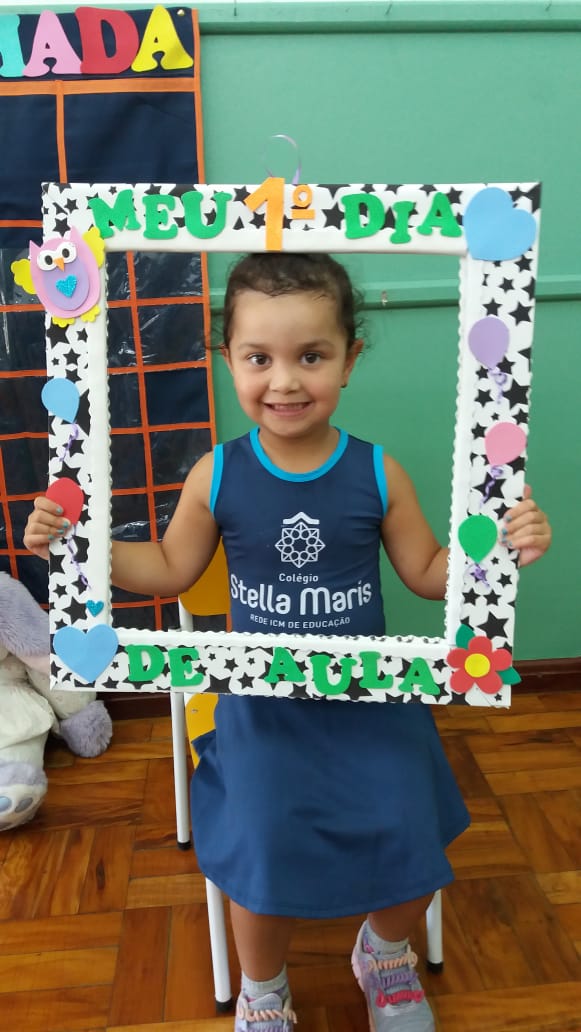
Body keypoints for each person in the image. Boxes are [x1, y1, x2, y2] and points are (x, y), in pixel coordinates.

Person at [24, 253, 552, 1032]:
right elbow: (167, 569)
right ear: (226, 358)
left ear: (349, 358)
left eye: (311, 356)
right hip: (262, 713)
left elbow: (428, 574)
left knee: (415, 832)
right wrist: (80, 547)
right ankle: (263, 989)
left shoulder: (378, 472)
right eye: (258, 358)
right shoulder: (216, 474)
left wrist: (498, 548)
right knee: (261, 851)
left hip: (370, 708)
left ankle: (383, 953)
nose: (284, 381)